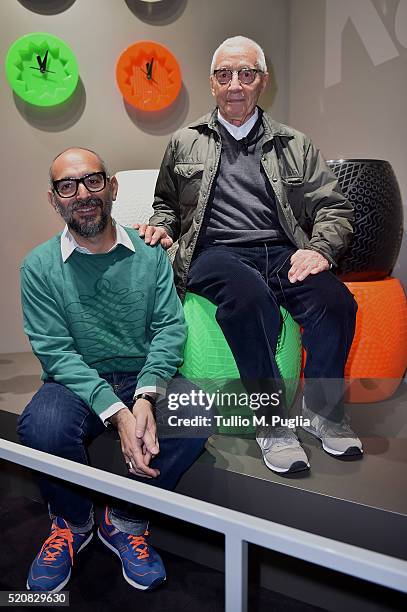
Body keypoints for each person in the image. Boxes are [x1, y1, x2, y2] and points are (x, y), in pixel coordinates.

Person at [135, 35, 363, 475]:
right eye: (224, 75)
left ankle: (323, 411)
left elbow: (334, 208)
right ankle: (272, 421)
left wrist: (319, 250)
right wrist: (162, 227)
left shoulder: (295, 144)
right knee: (247, 299)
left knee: (336, 302)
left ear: (262, 81)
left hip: (281, 251)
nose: (235, 84)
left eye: (245, 74)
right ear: (213, 83)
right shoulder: (185, 141)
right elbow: (166, 204)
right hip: (214, 252)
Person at [18, 147, 208, 593]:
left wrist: (144, 398)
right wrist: (118, 414)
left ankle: (124, 519)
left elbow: (167, 330)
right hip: (77, 378)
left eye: (93, 181)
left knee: (197, 410)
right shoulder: (38, 267)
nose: (82, 193)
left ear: (113, 187)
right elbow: (57, 353)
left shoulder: (149, 255)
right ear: (54, 200)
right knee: (41, 425)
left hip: (140, 373)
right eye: (68, 185)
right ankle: (72, 522)